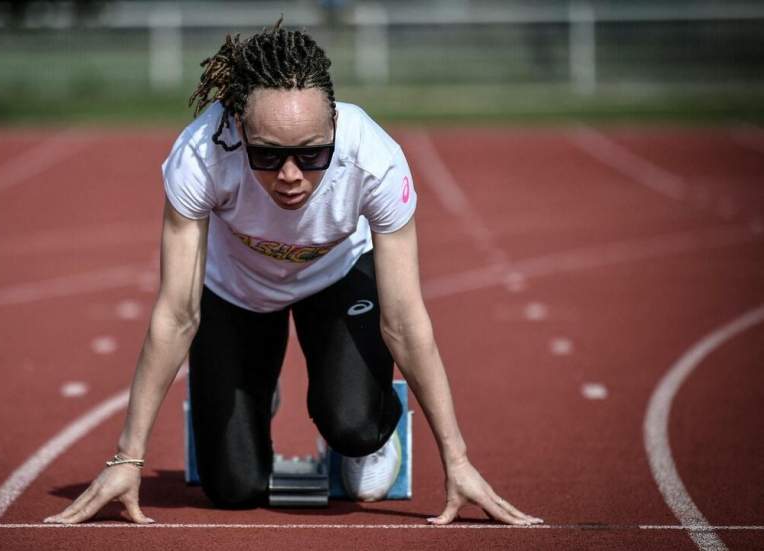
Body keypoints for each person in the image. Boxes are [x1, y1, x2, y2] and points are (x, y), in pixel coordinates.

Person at [44, 19, 542, 526]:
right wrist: (128, 458)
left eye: (312, 154)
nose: (290, 176)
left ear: (335, 131)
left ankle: (364, 430)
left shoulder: (375, 159)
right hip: (235, 289)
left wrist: (456, 460)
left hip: (336, 277)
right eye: (267, 154)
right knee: (234, 489)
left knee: (353, 424)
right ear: (237, 128)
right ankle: (256, 389)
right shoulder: (200, 156)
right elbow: (176, 313)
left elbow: (405, 321)